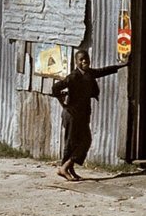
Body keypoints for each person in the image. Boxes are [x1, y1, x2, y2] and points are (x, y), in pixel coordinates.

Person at [52, 50, 126, 181]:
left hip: (83, 114)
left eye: (86, 58)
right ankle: (64, 168)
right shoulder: (73, 76)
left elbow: (105, 70)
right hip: (72, 115)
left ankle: (68, 168)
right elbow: (56, 88)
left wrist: (123, 65)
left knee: (84, 141)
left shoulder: (89, 73)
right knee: (73, 143)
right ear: (76, 62)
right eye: (81, 59)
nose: (84, 61)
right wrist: (63, 103)